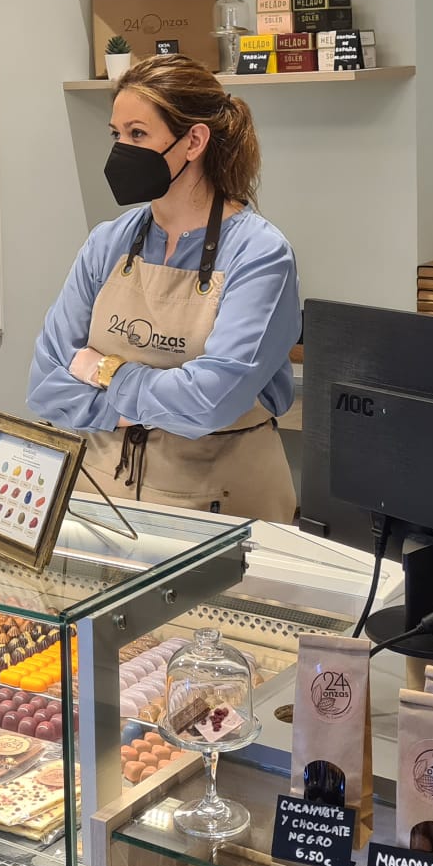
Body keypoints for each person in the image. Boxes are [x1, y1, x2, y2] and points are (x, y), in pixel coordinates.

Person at [27, 54, 300, 520]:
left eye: (137, 134)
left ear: (193, 141)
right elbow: (47, 385)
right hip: (100, 498)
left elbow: (211, 401)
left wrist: (104, 370)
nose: (121, 150)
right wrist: (164, 405)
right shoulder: (107, 242)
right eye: (116, 134)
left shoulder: (259, 254)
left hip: (218, 505)